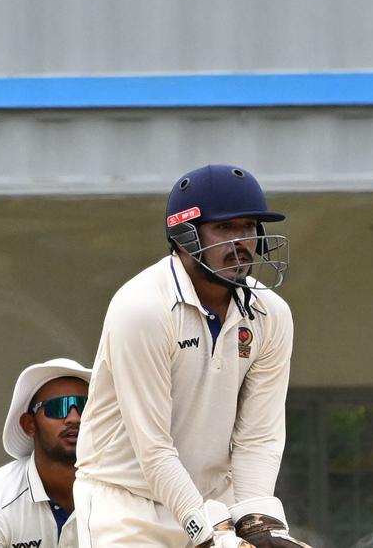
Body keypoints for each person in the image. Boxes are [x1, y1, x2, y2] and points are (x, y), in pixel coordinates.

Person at [73, 164, 310, 548]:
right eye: (225, 228)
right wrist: (208, 533)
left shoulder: (271, 313)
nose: (241, 242)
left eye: (248, 227)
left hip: (214, 500)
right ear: (184, 236)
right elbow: (153, 446)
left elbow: (258, 437)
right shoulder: (142, 308)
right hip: (128, 506)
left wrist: (255, 521)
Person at [0, 358, 92, 548]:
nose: (74, 418)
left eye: (84, 406)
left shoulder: (123, 490)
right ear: (29, 424)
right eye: (58, 407)